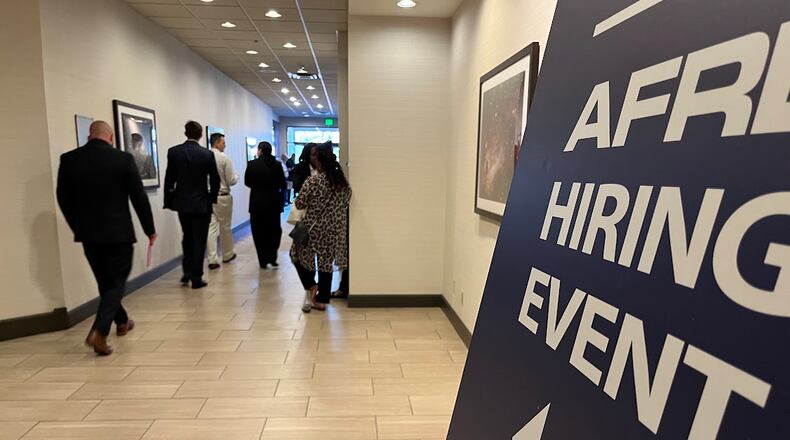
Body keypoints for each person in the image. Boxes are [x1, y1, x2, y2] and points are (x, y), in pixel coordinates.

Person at [56, 121, 156, 355]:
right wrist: (149, 229)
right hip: (118, 233)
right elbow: (139, 198)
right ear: (110, 137)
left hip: (89, 235)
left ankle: (122, 321)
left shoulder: (69, 159)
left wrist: (78, 227)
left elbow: (63, 198)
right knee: (116, 282)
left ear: (89, 136)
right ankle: (99, 331)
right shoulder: (122, 159)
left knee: (106, 282)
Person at [291, 143, 351, 312]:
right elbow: (347, 200)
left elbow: (300, 202)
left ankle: (311, 286)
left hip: (310, 228)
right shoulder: (342, 182)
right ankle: (322, 300)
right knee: (325, 264)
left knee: (295, 255)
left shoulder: (313, 181)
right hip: (333, 230)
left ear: (319, 162)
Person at [164, 121, 220, 289]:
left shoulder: (174, 152)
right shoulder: (206, 154)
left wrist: (170, 200)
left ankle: (187, 271)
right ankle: (196, 276)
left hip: (182, 202)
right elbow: (215, 180)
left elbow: (169, 179)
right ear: (201, 134)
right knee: (199, 239)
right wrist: (212, 198)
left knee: (187, 236)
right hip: (201, 202)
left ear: (185, 133)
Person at [246, 141, 287, 269]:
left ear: (260, 150)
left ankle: (262, 259)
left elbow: (247, 182)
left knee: (258, 231)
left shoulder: (252, 164)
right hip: (273, 203)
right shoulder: (277, 165)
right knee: (274, 230)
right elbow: (282, 184)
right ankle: (272, 256)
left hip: (257, 203)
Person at [206, 133, 239, 270]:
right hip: (223, 196)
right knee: (225, 227)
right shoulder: (224, 158)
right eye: (223, 142)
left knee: (211, 227)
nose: (225, 145)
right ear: (217, 143)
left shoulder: (205, 157)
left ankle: (212, 259)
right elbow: (231, 180)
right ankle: (227, 254)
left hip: (208, 196)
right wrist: (237, 176)